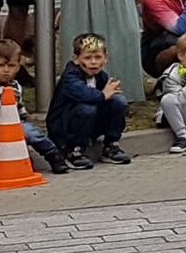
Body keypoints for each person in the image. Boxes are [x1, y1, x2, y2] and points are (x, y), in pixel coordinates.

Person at [0, 40, 69, 173]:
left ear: (18, 67)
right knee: (1, 134)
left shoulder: (16, 86)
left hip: (15, 130)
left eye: (11, 66)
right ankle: (23, 159)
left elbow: (20, 110)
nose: (6, 70)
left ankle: (54, 156)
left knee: (31, 131)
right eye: (1, 65)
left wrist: (27, 122)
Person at [48, 33, 132, 168]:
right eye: (87, 58)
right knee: (87, 108)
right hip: (64, 127)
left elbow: (108, 98)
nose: (93, 62)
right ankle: (73, 150)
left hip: (89, 124)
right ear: (76, 59)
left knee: (119, 101)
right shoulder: (70, 76)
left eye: (98, 57)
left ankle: (111, 145)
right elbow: (84, 95)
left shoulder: (101, 76)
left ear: (106, 59)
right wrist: (103, 95)